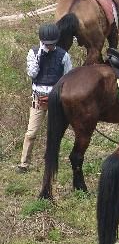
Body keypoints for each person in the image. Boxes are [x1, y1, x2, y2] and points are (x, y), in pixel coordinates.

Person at [17, 23, 73, 173]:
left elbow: (68, 79)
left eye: (52, 44)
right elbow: (32, 74)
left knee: (55, 133)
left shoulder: (64, 56)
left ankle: (52, 162)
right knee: (31, 132)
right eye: (47, 44)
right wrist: (40, 55)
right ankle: (23, 163)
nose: (50, 47)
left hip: (56, 99)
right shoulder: (33, 53)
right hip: (38, 98)